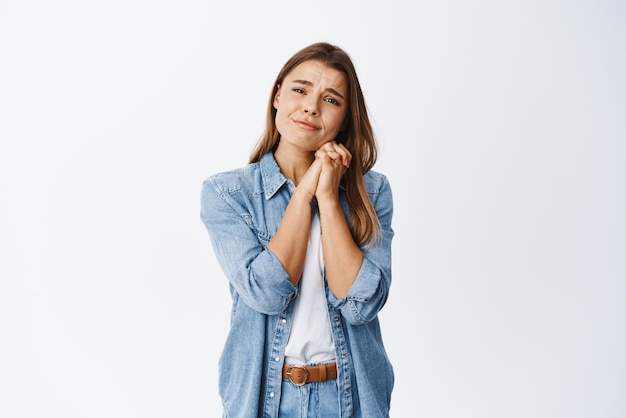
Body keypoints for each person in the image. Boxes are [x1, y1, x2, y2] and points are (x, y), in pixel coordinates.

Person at [200, 42, 394, 417]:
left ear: (345, 118)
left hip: (350, 397)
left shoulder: (373, 192)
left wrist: (329, 197)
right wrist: (305, 189)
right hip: (265, 400)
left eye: (331, 100)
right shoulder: (229, 194)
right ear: (277, 96)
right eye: (300, 90)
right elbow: (267, 293)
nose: (311, 106)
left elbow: (362, 305)